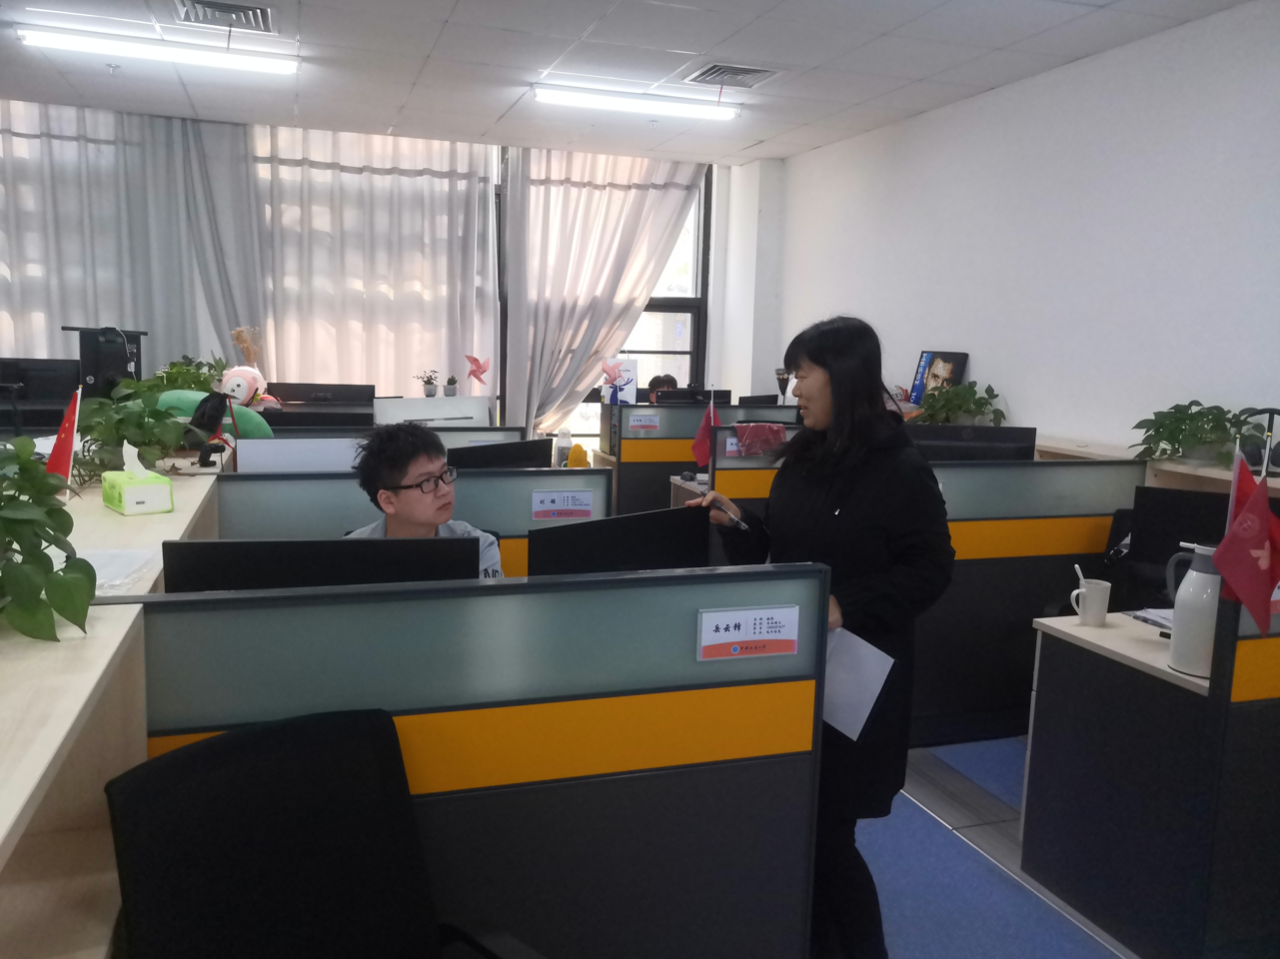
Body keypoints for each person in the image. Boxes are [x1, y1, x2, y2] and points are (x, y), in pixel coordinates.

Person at [688, 316, 954, 959]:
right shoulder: (805, 456)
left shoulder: (900, 469)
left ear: (844, 376)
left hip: (856, 681)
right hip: (794, 669)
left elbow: (931, 570)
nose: (794, 389)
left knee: (831, 836)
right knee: (801, 826)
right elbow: (787, 553)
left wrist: (845, 605)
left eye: (803, 374)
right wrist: (740, 526)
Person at [347, 422, 504, 579]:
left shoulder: (480, 547)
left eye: (445, 474)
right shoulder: (349, 555)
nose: (444, 490)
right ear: (388, 501)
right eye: (426, 482)